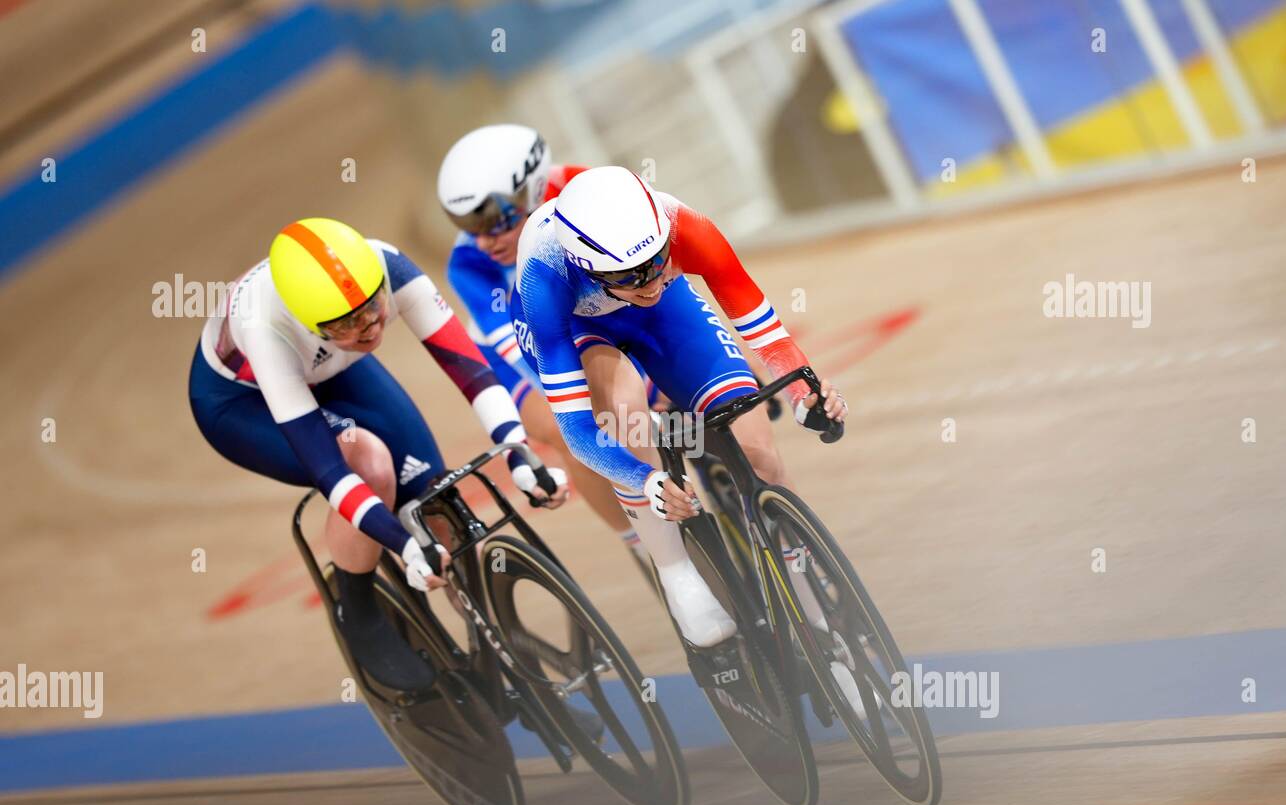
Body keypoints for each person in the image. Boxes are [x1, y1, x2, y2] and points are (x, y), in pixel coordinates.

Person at [509, 166, 860, 708]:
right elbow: (577, 432)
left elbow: (764, 331)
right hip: (582, 326)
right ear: (587, 264)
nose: (647, 283)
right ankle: (678, 577)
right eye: (630, 277)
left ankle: (818, 623)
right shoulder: (544, 278)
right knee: (624, 415)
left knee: (759, 450)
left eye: (655, 265)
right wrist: (641, 479)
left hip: (667, 317)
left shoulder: (683, 226)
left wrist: (806, 393)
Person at [188, 217, 567, 692]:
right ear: (309, 322)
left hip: (329, 366)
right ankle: (359, 612)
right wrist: (404, 543)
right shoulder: (265, 330)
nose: (369, 327)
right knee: (368, 462)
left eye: (373, 308)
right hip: (242, 405)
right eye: (349, 322)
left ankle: (509, 674)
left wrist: (518, 452)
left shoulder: (385, 265)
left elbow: (473, 373)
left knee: (434, 499)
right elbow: (330, 470)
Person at [437, 125, 654, 571]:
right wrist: (593, 410)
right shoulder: (468, 265)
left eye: (494, 221)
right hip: (515, 351)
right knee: (566, 425)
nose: (483, 241)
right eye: (468, 227)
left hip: (590, 317)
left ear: (534, 192)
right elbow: (528, 357)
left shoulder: (586, 186)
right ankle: (641, 545)